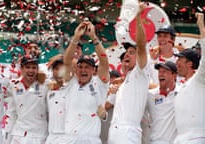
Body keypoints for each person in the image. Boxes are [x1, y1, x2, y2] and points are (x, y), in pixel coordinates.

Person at [108, 3, 150, 144]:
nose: (127, 54)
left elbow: (141, 44)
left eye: (132, 52)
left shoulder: (141, 72)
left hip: (128, 133)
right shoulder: (124, 81)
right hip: (114, 131)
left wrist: (138, 18)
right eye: (126, 52)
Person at [62, 20, 110, 143]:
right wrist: (76, 37)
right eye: (81, 67)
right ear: (76, 68)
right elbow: (67, 60)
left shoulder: (99, 84)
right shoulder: (70, 82)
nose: (83, 70)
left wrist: (93, 37)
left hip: (91, 140)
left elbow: (104, 62)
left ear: (94, 70)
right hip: (69, 139)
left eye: (87, 67)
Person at [174, 12, 205, 144]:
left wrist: (201, 27)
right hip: (180, 138)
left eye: (180, 59)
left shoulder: (200, 79)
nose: (177, 63)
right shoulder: (181, 85)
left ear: (190, 63)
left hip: (196, 137)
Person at [5, 55, 48, 144]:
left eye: (34, 67)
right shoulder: (13, 85)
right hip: (19, 134)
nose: (31, 70)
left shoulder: (46, 84)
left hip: (40, 135)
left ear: (37, 69)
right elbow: (11, 112)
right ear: (21, 68)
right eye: (27, 67)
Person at [147, 61, 178, 144]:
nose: (161, 74)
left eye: (164, 72)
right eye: (159, 72)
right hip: (156, 141)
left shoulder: (182, 93)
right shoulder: (150, 95)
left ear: (174, 75)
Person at [149, 23, 178, 87]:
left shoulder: (179, 60)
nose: (161, 39)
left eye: (165, 36)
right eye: (159, 36)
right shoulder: (150, 59)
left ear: (173, 39)